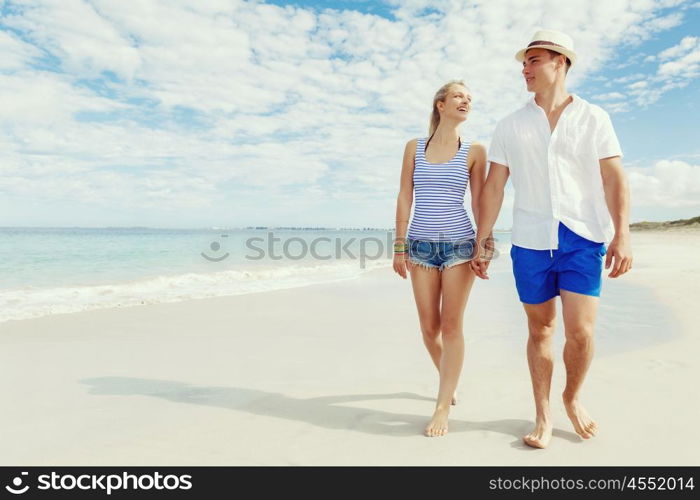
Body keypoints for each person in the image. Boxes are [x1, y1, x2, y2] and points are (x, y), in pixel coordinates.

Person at [471, 30, 633, 449]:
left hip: (583, 237)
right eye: (524, 63)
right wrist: (482, 238)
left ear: (560, 62)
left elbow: (613, 177)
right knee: (540, 329)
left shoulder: (594, 118)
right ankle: (542, 414)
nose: (524, 69)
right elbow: (493, 187)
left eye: (533, 60)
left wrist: (623, 234)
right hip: (529, 240)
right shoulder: (510, 124)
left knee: (580, 332)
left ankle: (572, 397)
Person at [393, 80, 487, 437]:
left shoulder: (475, 151)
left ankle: (442, 405)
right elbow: (405, 195)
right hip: (419, 246)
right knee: (429, 329)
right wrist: (399, 244)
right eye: (460, 96)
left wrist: (484, 242)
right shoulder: (414, 147)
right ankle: (449, 380)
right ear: (441, 104)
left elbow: (479, 202)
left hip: (460, 246)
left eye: (470, 97)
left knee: (451, 326)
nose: (467, 101)